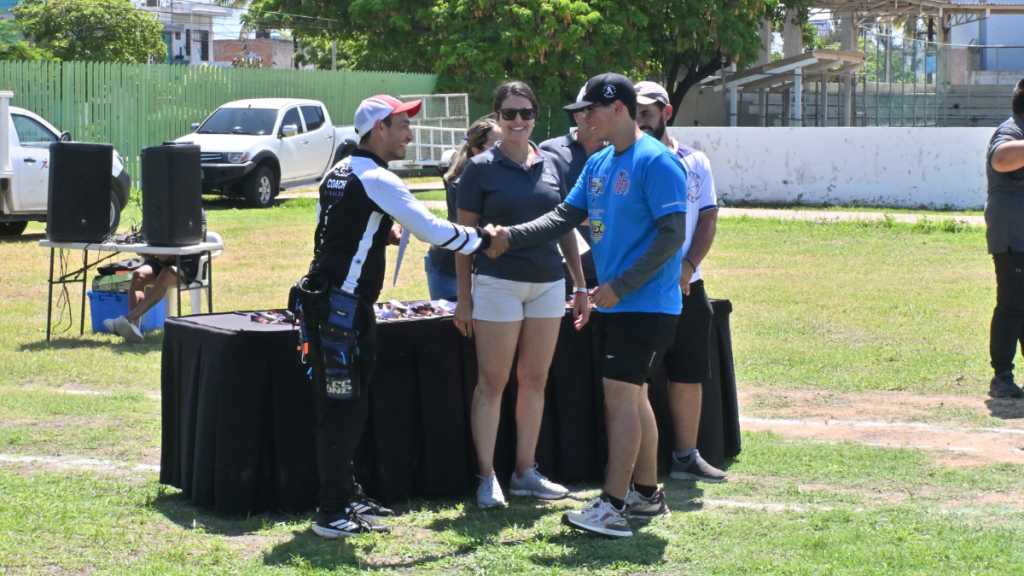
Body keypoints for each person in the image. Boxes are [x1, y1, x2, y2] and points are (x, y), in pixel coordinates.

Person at [487, 73, 689, 538]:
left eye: (589, 110)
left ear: (617, 108)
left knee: (620, 399)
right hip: (620, 305)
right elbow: (562, 217)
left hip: (646, 304)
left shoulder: (656, 161)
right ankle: (644, 494)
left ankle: (613, 506)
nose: (583, 119)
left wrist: (621, 284)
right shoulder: (598, 163)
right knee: (633, 397)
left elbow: (672, 234)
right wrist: (509, 236)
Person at [300, 94, 499, 538]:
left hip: (331, 303)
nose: (410, 134)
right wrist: (484, 239)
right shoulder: (377, 177)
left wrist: (376, 236)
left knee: (343, 406)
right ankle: (332, 512)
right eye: (402, 125)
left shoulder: (340, 170)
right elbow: (432, 230)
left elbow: (331, 229)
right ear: (378, 130)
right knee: (342, 410)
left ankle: (345, 496)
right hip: (343, 310)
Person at [454, 81, 590, 509]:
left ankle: (524, 472)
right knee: (492, 384)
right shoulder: (479, 168)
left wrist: (580, 283)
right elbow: (463, 238)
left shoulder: (550, 163)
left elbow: (564, 226)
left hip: (548, 284)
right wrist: (464, 297)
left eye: (526, 113)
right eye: (509, 113)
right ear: (496, 117)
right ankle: (486, 477)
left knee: (535, 379)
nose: (518, 121)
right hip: (498, 284)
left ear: (536, 115)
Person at [634, 81, 728, 483]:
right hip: (640, 286)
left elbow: (707, 217)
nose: (640, 120)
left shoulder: (696, 161)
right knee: (634, 381)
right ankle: (636, 465)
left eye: (646, 113)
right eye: (634, 113)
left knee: (688, 372)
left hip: (689, 283)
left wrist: (688, 267)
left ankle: (686, 457)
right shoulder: (622, 159)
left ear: (666, 113)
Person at [424, 117, 502, 300]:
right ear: (477, 151)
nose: (504, 149)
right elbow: (469, 236)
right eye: (497, 144)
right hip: (449, 271)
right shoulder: (459, 185)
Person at [538, 85, 606, 289]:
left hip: (608, 270)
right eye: (586, 111)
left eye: (597, 111)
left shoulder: (619, 154)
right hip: (559, 269)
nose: (591, 118)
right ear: (576, 115)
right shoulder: (549, 150)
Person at [107, 211, 207, 343]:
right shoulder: (157, 207)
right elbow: (140, 243)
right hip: (160, 259)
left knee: (166, 274)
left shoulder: (193, 208)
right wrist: (159, 253)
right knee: (138, 275)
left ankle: (129, 319)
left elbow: (197, 236)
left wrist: (168, 250)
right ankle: (133, 329)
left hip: (188, 261)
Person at [986, 78, 1024, 399]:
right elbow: (1000, 158)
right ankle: (1002, 377)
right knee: (1012, 306)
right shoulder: (1011, 131)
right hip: (1013, 237)